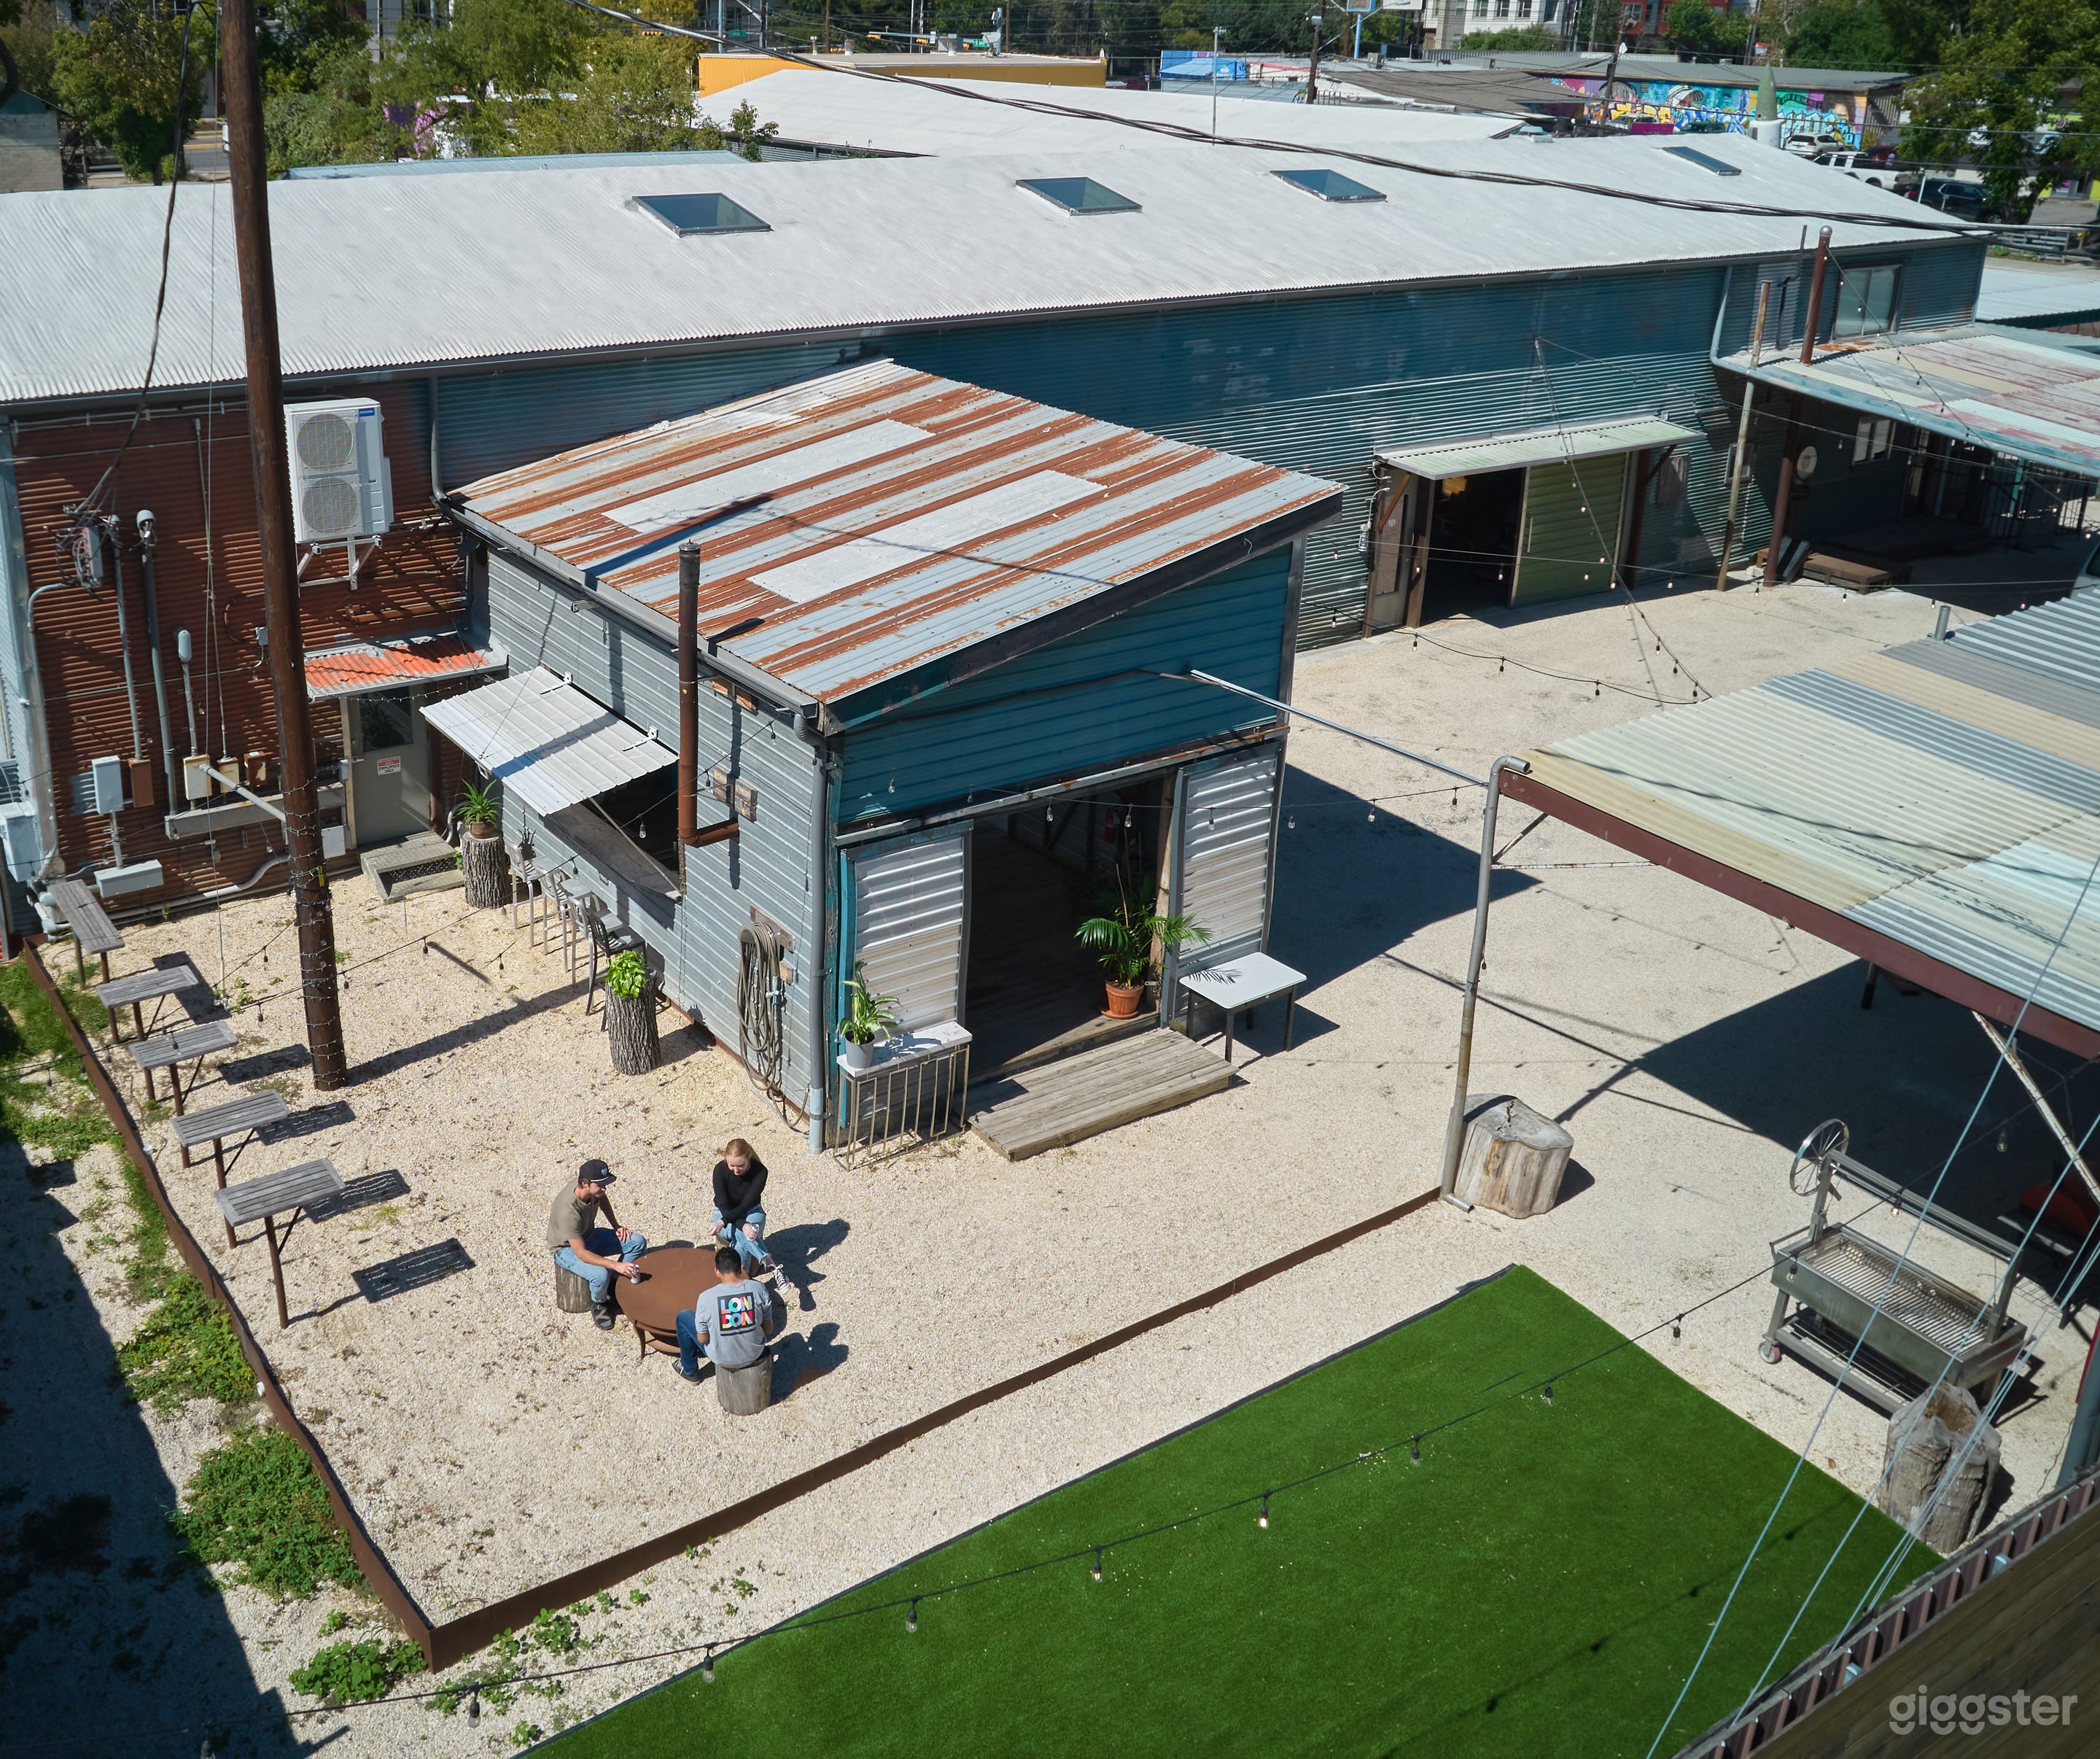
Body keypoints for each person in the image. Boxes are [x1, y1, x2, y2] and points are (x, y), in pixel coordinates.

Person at [549, 1159, 645, 1330]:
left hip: (588, 1235)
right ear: (585, 1184)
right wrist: (616, 1265)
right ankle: (599, 1303)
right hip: (567, 1249)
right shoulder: (568, 1212)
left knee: (637, 1242)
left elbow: (603, 1199)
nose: (605, 1188)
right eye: (601, 1185)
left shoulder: (592, 1190)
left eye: (605, 1184)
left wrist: (616, 1226)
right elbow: (581, 1254)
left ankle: (615, 1287)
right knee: (600, 1275)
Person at [675, 1246, 779, 1386]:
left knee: (683, 1317)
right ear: (741, 1268)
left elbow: (702, 1338)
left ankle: (690, 1371)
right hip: (755, 1352)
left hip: (721, 1357)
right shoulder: (758, 1289)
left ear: (717, 1272)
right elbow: (768, 1329)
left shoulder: (706, 1297)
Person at [710, 1138, 782, 1282]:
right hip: (723, 1213)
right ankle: (769, 1263)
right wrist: (742, 1225)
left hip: (751, 1212)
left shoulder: (760, 1172)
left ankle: (737, 1280)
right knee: (745, 1235)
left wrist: (723, 1222)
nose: (736, 1170)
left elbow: (745, 1205)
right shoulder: (719, 1170)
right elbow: (724, 1206)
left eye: (741, 1166)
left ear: (748, 1158)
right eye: (732, 1166)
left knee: (740, 1241)